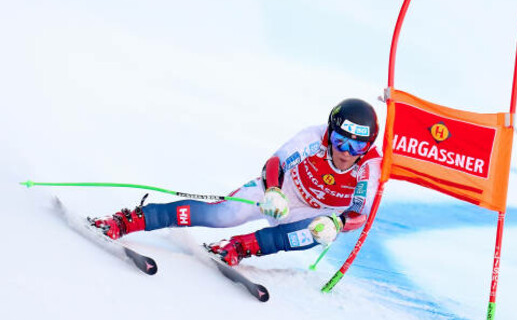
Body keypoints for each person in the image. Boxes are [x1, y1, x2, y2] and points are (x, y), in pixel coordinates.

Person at [90, 98, 382, 266]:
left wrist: (337, 224)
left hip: (312, 214)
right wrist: (274, 191)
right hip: (284, 191)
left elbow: (360, 212)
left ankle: (240, 247)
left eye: (356, 146)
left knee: (316, 233)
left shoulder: (370, 166)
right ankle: (132, 220)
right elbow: (275, 163)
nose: (345, 152)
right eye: (340, 140)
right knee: (224, 214)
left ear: (367, 146)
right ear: (330, 132)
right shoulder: (313, 138)